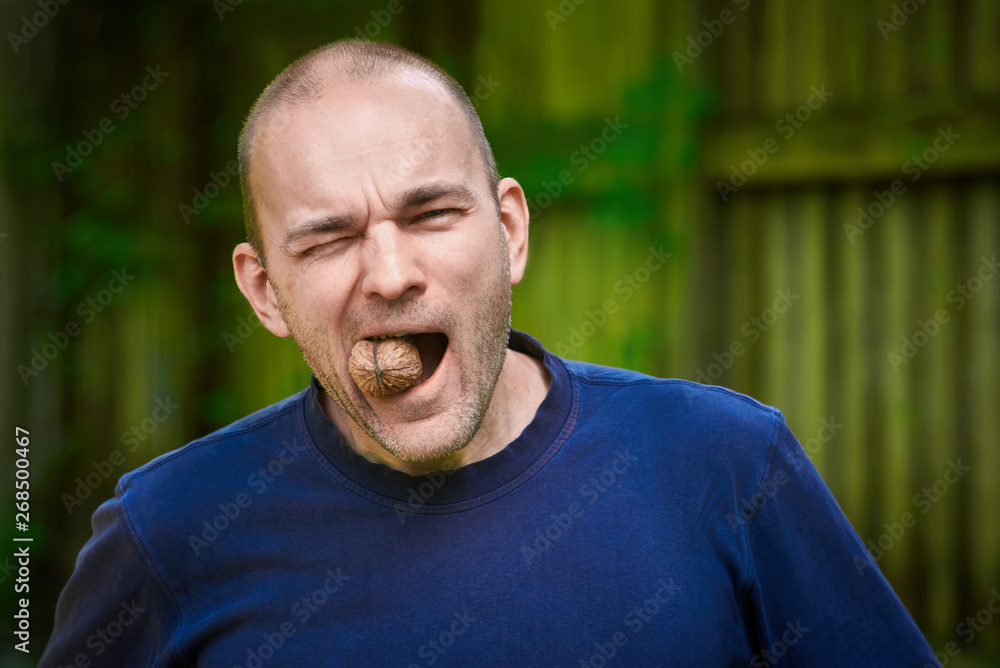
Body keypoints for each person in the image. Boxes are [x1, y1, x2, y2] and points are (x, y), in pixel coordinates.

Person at [41, 39, 937, 667]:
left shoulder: (725, 465)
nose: (391, 274)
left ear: (510, 230)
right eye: (328, 239)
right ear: (265, 289)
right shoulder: (171, 533)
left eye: (432, 214)